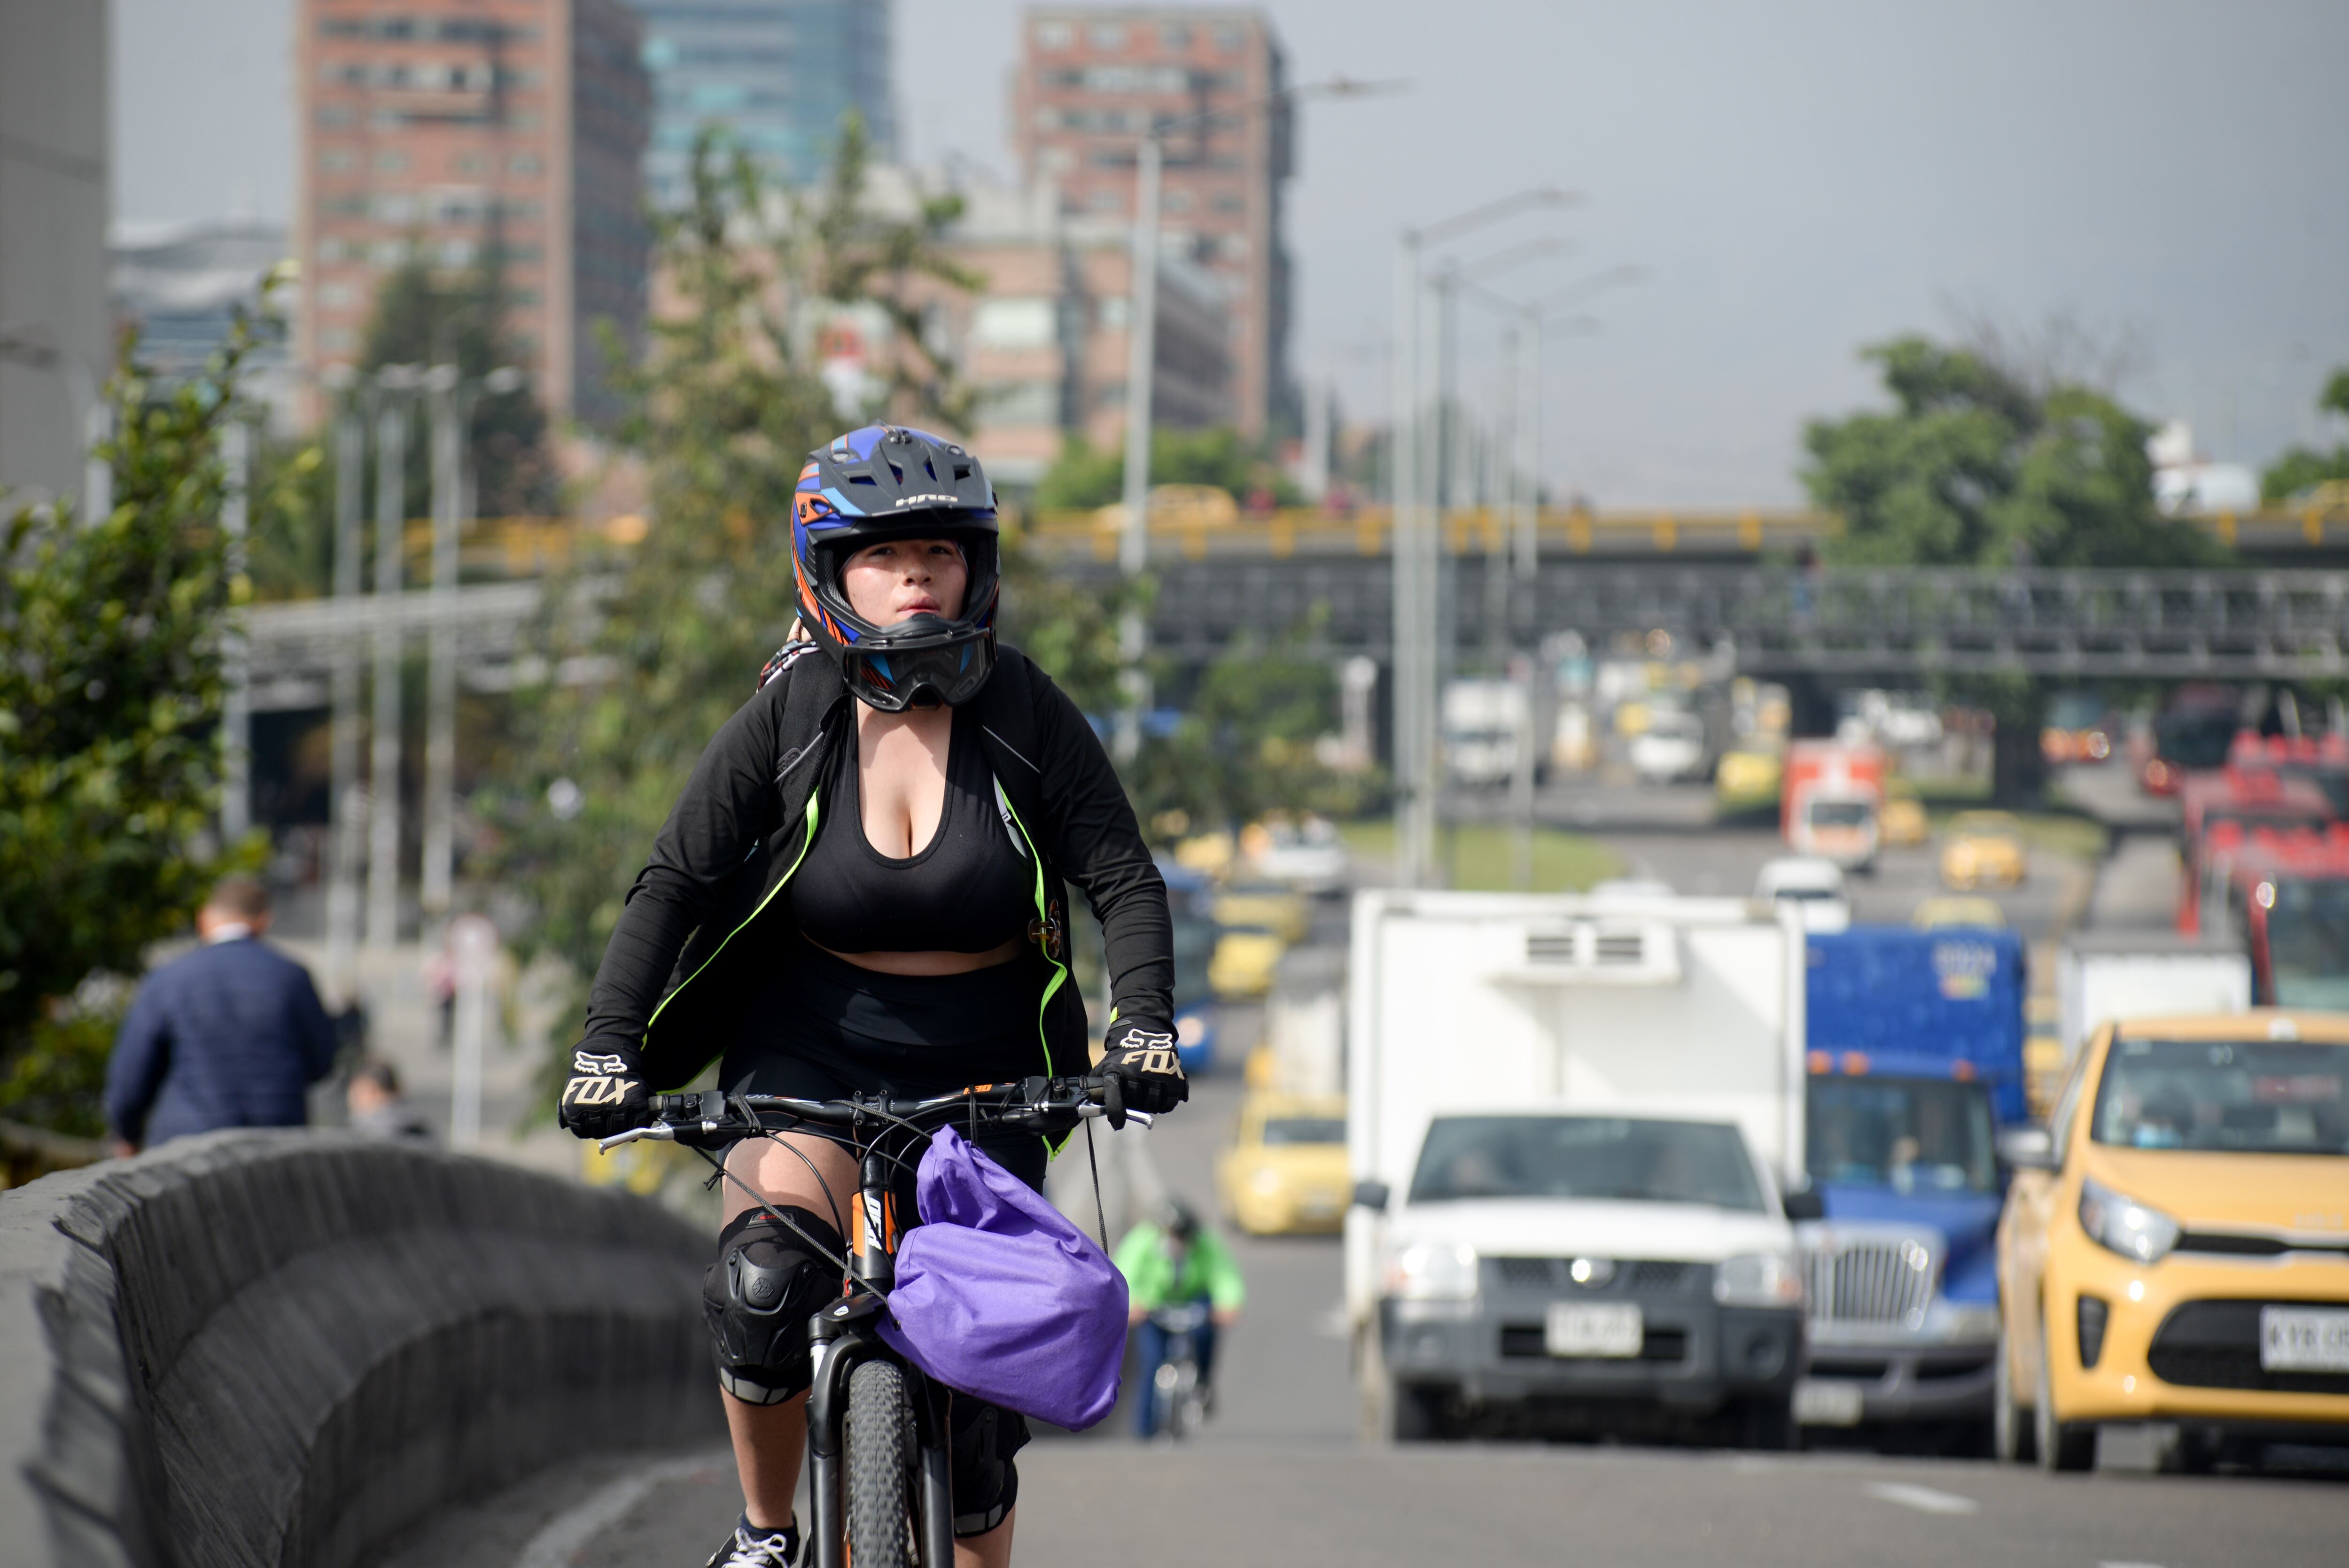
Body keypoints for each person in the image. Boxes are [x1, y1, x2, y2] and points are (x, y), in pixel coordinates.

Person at [556, 426, 1184, 1568]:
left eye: (940, 551)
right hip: (805, 1051)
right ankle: (764, 1530)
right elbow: (676, 882)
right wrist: (608, 1047)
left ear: (977, 568)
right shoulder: (790, 717)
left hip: (988, 1065)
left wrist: (1141, 1024)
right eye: (883, 554)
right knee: (761, 1278)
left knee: (985, 1405)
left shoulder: (1027, 714)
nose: (916, 576)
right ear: (827, 571)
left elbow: (1122, 879)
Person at [103, 876, 341, 1157]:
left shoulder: (170, 977)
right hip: (274, 1149)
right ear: (265, 920)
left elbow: (131, 1075)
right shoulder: (293, 977)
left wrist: (127, 1133)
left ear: (204, 917)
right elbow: (322, 1062)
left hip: (186, 1148)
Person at [1113, 1197, 1245, 1438]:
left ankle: (1203, 1383)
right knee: (1152, 1363)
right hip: (1154, 1305)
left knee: (1206, 1336)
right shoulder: (1143, 1240)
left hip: (1194, 1300)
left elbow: (1224, 1275)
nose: (1176, 1241)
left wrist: (1228, 1305)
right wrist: (1133, 1305)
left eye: (1181, 1236)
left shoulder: (1206, 1243)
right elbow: (1126, 1270)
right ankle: (1145, 1431)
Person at [346, 1057, 436, 1143]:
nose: (352, 1103)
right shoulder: (423, 1131)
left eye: (356, 1095)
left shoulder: (362, 1136)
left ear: (370, 1090)